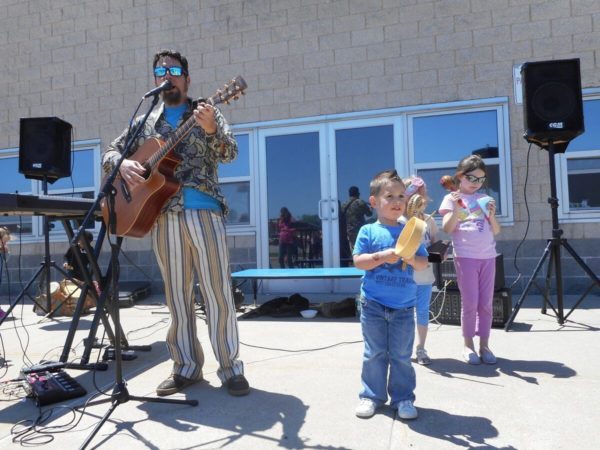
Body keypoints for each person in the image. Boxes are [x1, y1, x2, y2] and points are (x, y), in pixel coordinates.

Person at [102, 49, 249, 397]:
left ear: (187, 77)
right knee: (177, 297)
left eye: (174, 69)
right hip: (162, 215)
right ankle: (185, 367)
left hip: (203, 209)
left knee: (217, 293)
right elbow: (111, 153)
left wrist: (212, 129)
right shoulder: (145, 122)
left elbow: (230, 153)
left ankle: (230, 368)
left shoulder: (207, 110)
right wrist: (122, 166)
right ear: (154, 79)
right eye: (159, 70)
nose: (166, 75)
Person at [353, 169, 428, 420]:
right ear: (374, 202)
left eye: (401, 196)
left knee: (401, 356)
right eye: (390, 196)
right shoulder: (368, 231)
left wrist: (409, 256)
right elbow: (359, 262)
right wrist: (381, 256)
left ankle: (403, 398)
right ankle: (371, 396)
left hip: (404, 307)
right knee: (374, 353)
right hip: (373, 303)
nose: (397, 202)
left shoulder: (413, 229)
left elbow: (422, 264)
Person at [438, 155, 501, 365]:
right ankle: (468, 345)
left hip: (488, 256)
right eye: (472, 178)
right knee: (470, 303)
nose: (476, 183)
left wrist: (491, 215)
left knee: (486, 304)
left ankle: (485, 345)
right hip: (465, 256)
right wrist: (457, 208)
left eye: (481, 179)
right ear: (460, 176)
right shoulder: (451, 198)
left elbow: (496, 230)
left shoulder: (484, 198)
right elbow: (447, 228)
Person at [403, 176, 438, 365]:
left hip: (424, 274)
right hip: (405, 275)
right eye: (413, 194)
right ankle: (404, 348)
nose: (418, 198)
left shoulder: (429, 220)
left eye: (420, 194)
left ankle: (421, 348)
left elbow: (433, 244)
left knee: (423, 311)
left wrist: (441, 252)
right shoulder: (400, 220)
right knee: (405, 313)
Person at [342, 186, 372, 251]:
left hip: (349, 231)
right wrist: (371, 207)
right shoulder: (360, 202)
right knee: (363, 249)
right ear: (357, 193)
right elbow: (369, 214)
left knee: (353, 249)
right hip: (360, 230)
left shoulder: (344, 204)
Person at [0, 226, 12, 320]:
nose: (5, 243)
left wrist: (6, 252)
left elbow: (5, 260)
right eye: (4, 241)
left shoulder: (2, 249)